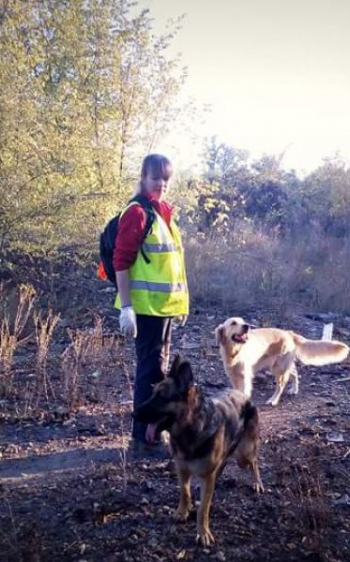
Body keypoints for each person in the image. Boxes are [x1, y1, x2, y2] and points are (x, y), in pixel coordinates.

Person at [114, 154, 189, 458]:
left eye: (166, 179)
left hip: (164, 309)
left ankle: (152, 435)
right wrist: (126, 307)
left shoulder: (163, 214)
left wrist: (182, 302)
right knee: (150, 373)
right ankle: (141, 441)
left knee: (159, 372)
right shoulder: (137, 213)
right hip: (144, 310)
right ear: (143, 178)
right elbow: (121, 260)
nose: (161, 184)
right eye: (156, 178)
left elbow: (174, 265)